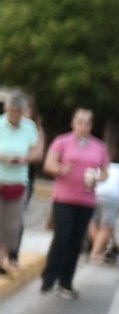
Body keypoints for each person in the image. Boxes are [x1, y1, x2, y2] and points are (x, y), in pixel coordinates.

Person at [39, 107, 108, 299]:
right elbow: (48, 165)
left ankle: (66, 281)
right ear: (73, 123)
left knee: (76, 241)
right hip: (64, 198)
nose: (83, 126)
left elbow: (105, 172)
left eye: (87, 122)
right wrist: (61, 169)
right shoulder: (62, 141)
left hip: (86, 199)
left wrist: (97, 178)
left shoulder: (99, 147)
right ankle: (49, 277)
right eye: (79, 121)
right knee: (63, 236)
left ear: (91, 125)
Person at [0, 93, 43, 278]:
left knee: (11, 225)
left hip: (18, 181)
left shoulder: (29, 127)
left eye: (18, 112)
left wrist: (24, 159)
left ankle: (1, 258)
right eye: (12, 111)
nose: (15, 115)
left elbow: (36, 152)